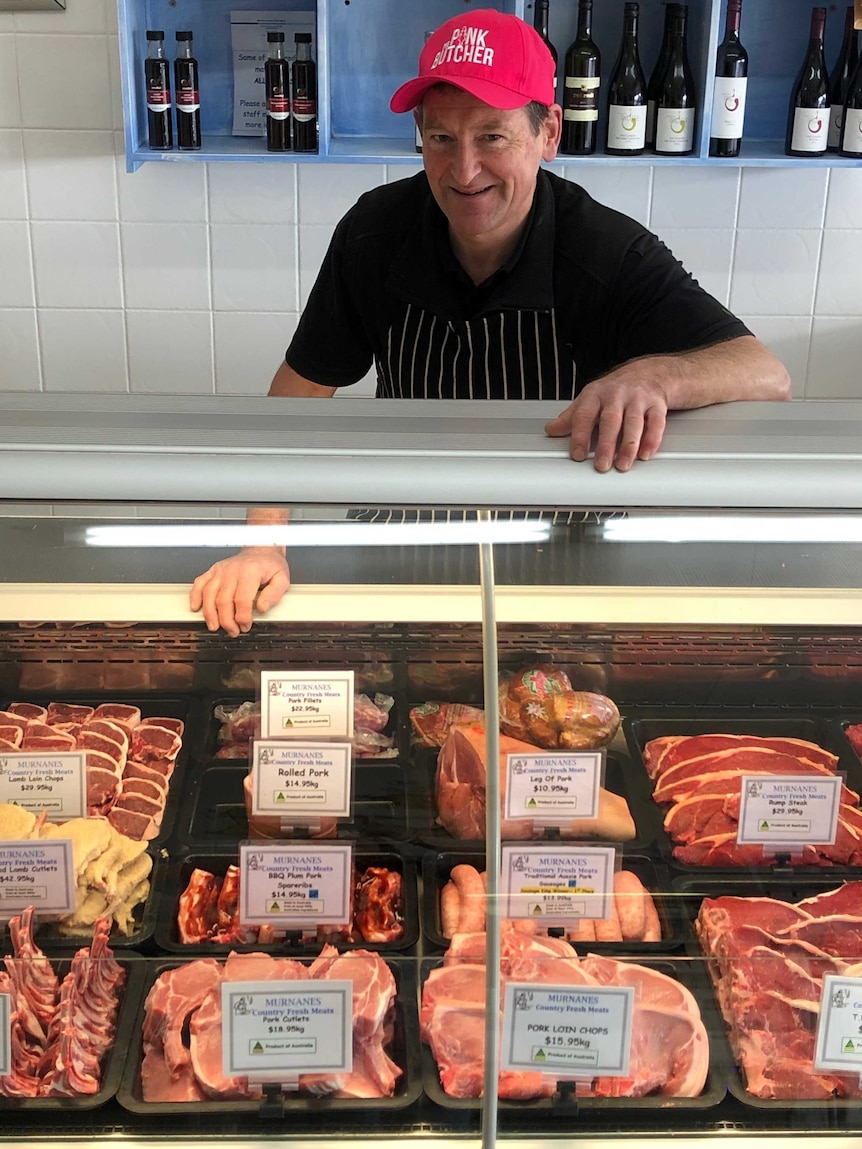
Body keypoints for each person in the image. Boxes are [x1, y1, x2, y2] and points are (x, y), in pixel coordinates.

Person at [190, 8, 791, 637]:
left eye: (492, 137)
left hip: (557, 562)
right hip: (403, 549)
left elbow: (765, 373)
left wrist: (655, 377)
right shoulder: (374, 234)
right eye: (440, 138)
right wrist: (261, 544)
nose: (464, 170)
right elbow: (298, 397)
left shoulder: (606, 252)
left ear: (548, 133)